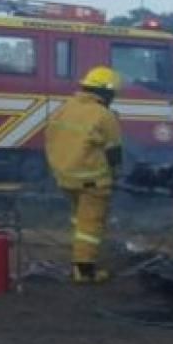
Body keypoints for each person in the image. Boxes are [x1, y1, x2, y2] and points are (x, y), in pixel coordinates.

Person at [44, 66, 124, 284]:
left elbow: (50, 138)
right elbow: (114, 152)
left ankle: (80, 256)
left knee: (79, 221)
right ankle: (84, 271)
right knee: (90, 226)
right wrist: (117, 176)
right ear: (107, 92)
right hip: (91, 180)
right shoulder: (104, 115)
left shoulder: (65, 107)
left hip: (64, 177)